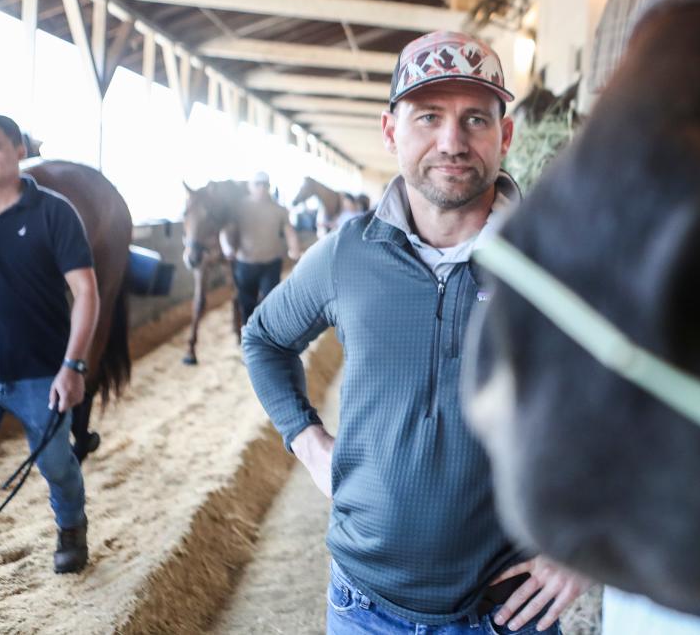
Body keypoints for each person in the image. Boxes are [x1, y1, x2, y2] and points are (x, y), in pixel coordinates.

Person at [243, 31, 590, 634]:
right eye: (428, 116)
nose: (451, 142)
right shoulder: (345, 255)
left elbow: (634, 400)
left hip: (505, 615)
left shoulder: (555, 258)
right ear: (390, 130)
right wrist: (305, 438)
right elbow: (264, 339)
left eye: (475, 119)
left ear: (505, 136)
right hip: (364, 610)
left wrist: (586, 540)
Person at [0, 114, 98, 635]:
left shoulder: (55, 212)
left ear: (18, 151)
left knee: (58, 466)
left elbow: (85, 293)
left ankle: (71, 523)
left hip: (42, 373)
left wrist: (73, 366)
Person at [221, 171, 301, 326]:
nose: (261, 188)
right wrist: (226, 248)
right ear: (250, 186)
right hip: (245, 264)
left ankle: (268, 336)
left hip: (271, 264)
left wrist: (295, 250)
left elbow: (289, 232)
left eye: (265, 184)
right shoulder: (239, 208)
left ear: (269, 186)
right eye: (257, 184)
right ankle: (248, 336)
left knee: (271, 302)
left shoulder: (279, 209)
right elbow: (225, 230)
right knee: (247, 304)